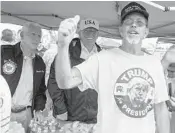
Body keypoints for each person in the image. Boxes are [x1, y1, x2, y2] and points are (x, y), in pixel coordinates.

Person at [55, 2, 170, 133]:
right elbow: (65, 82)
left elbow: (161, 108)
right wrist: (63, 46)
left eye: (140, 22)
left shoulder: (154, 63)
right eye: (128, 21)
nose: (134, 25)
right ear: (120, 30)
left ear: (146, 32)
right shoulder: (102, 59)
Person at [47, 18, 101, 123]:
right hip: (70, 116)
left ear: (98, 34)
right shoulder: (65, 55)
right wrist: (61, 109)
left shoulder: (102, 56)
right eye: (86, 31)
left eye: (93, 31)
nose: (90, 33)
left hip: (94, 117)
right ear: (79, 33)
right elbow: (53, 82)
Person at [1, 22, 47, 133]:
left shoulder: (40, 62)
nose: (36, 38)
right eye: (33, 34)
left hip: (26, 113)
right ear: (22, 35)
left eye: (39, 36)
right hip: (4, 112)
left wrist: (39, 109)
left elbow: (40, 90)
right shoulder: (4, 53)